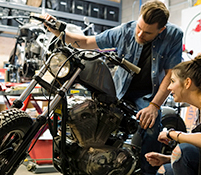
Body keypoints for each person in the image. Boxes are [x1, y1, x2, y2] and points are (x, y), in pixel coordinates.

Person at [42, 1, 183, 174]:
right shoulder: (125, 30)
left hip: (147, 95)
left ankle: (147, 172)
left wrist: (154, 106)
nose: (139, 34)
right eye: (139, 27)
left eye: (147, 32)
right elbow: (86, 41)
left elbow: (171, 74)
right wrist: (58, 31)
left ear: (161, 30)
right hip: (119, 89)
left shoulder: (174, 35)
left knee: (151, 128)